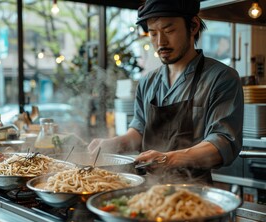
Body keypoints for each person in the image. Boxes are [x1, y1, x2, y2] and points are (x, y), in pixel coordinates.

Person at [88, 0, 244, 183]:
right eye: (153, 33)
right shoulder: (147, 82)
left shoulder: (221, 77)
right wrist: (115, 143)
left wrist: (168, 159)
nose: (160, 42)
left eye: (169, 31)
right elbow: (138, 130)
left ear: (193, 26)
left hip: (194, 195)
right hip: (145, 190)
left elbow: (222, 143)